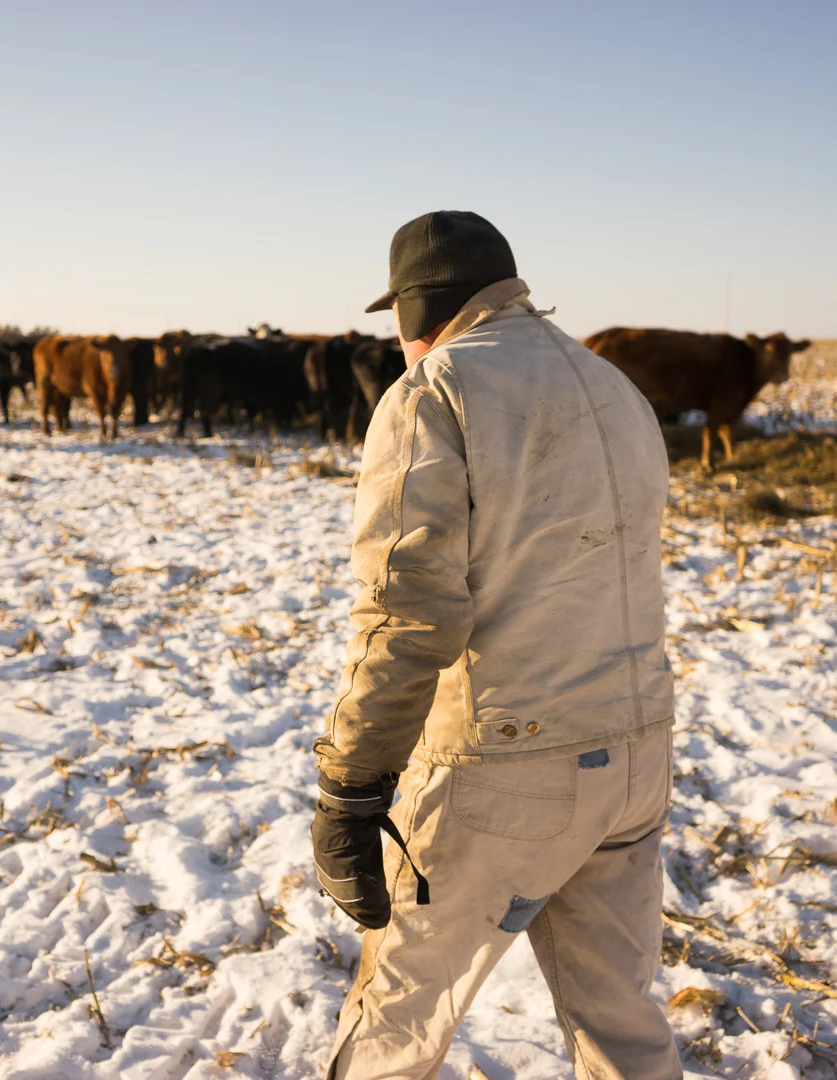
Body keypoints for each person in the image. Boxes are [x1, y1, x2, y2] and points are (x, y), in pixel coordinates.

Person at [311, 210, 680, 1079]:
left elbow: (408, 613)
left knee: (397, 1019)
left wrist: (351, 784)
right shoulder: (611, 384)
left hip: (507, 769)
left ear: (414, 308)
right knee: (620, 1022)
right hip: (635, 757)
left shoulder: (434, 390)